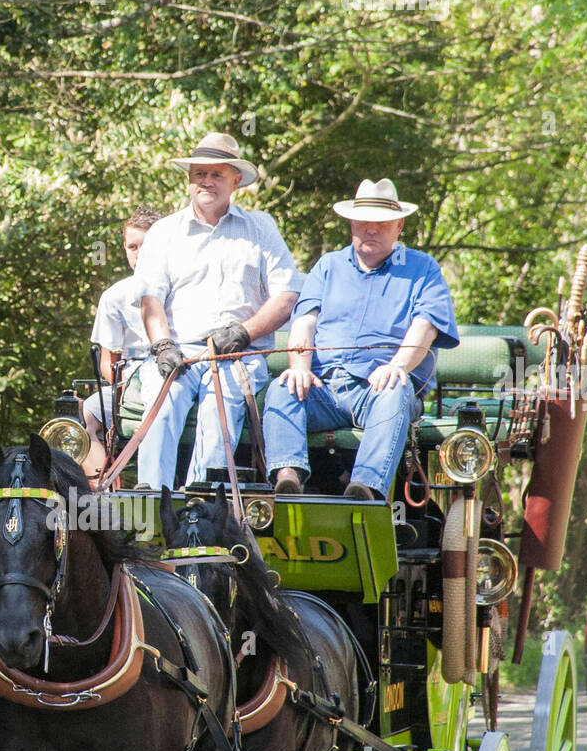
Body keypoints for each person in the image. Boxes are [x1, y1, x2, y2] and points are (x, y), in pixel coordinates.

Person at [262, 177, 458, 501]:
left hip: (377, 389)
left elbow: (426, 327)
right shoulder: (328, 266)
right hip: (323, 388)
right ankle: (288, 477)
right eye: (363, 222)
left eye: (381, 223)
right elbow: (304, 322)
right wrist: (299, 366)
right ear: (351, 223)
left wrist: (397, 366)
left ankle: (363, 488)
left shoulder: (423, 269)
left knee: (396, 388)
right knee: (282, 386)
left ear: (399, 226)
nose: (371, 229)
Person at [129, 132, 299, 490]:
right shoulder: (163, 233)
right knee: (163, 401)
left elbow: (286, 296)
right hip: (179, 351)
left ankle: (199, 504)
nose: (206, 182)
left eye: (216, 175)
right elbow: (150, 299)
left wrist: (243, 332)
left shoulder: (260, 228)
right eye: (199, 174)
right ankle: (150, 501)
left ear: (236, 181)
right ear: (189, 180)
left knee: (220, 405)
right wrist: (162, 346)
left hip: (239, 353)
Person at [80, 207, 163, 483]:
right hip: (129, 381)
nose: (139, 254)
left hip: (171, 371)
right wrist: (122, 388)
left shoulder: (184, 289)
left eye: (147, 245)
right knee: (84, 412)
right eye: (132, 246)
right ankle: (101, 488)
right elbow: (108, 361)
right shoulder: (114, 297)